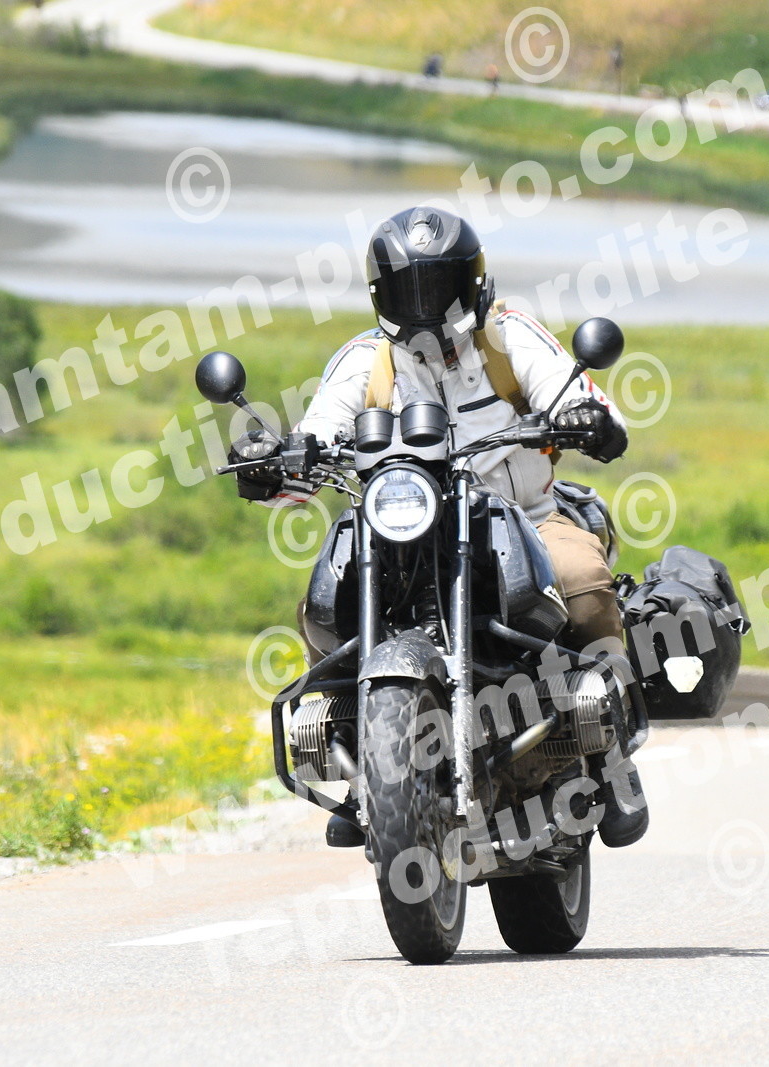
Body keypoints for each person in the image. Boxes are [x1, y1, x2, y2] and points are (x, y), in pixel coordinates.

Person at [228, 206, 648, 849]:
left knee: (583, 579)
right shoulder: (367, 362)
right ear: (383, 293)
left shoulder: (510, 339)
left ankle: (613, 757)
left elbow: (582, 400)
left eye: (439, 285)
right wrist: (272, 462)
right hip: (402, 530)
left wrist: (586, 420)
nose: (425, 304)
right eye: (409, 288)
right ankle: (360, 764)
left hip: (524, 519)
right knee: (323, 603)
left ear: (471, 281)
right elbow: (317, 436)